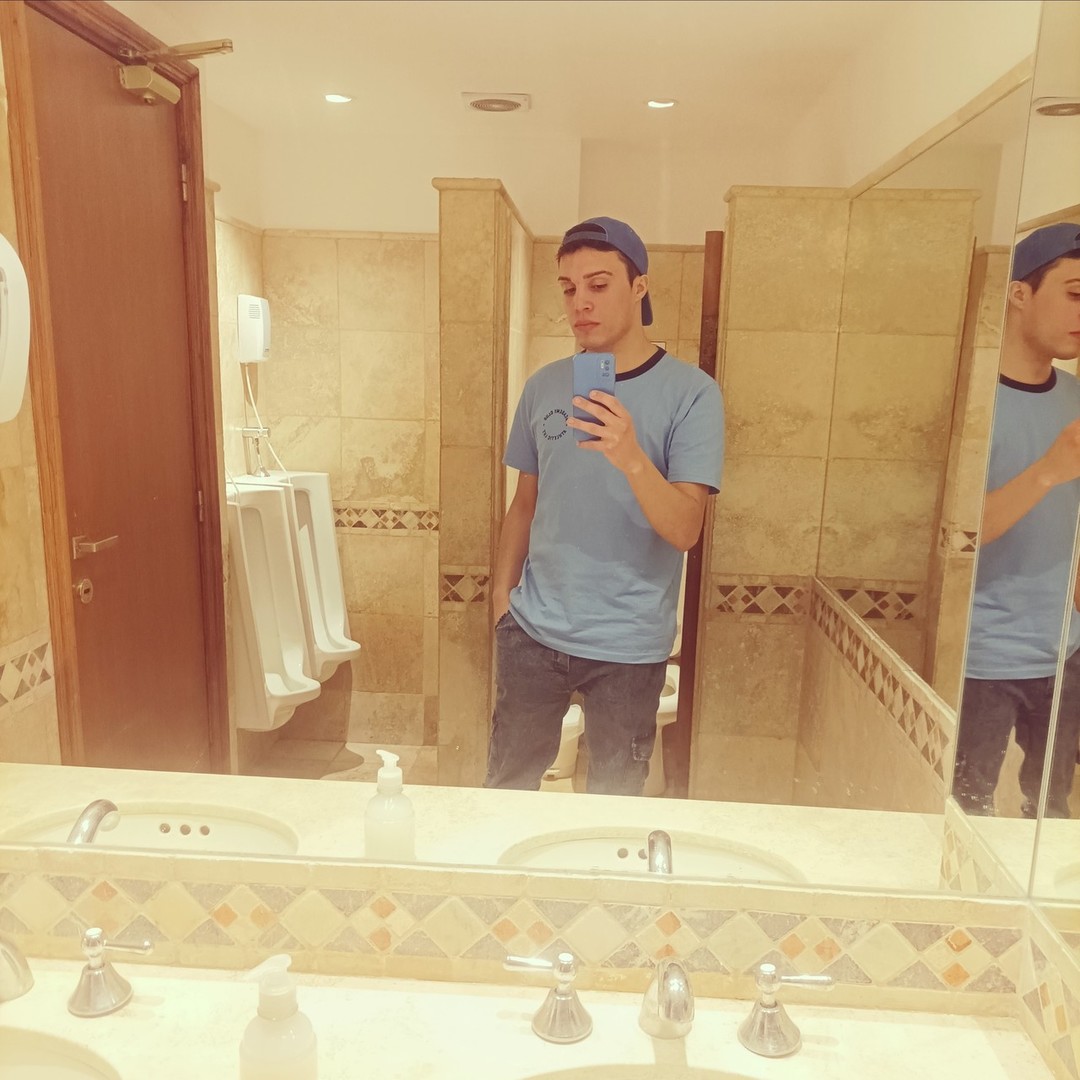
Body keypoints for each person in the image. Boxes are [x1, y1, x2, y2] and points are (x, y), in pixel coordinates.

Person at [485, 216, 724, 796]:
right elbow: (524, 504)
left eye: (598, 284)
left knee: (614, 809)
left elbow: (686, 530)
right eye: (569, 288)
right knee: (504, 794)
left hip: (629, 646)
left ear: (639, 287)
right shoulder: (543, 386)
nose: (580, 303)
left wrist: (632, 457)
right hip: (532, 633)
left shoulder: (692, 393)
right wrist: (501, 605)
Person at [954, 222, 1080, 817]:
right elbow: (958, 536)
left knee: (1050, 820)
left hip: (1066, 651)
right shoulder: (973, 404)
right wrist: (1048, 471)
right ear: (1019, 294)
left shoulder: (1075, 398)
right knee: (968, 821)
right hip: (980, 661)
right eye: (1074, 293)